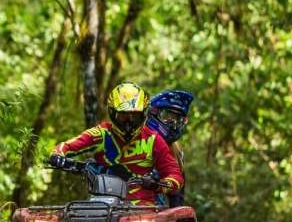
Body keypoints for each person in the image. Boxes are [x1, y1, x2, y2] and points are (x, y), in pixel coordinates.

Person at [49, 82, 183, 206]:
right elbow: (67, 146)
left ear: (143, 114)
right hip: (103, 203)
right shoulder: (101, 134)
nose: (129, 122)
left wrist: (157, 185)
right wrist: (56, 155)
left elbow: (176, 176)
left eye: (134, 116)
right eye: (123, 116)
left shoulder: (153, 140)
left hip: (143, 208)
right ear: (113, 113)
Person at [146, 90, 195, 207]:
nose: (173, 123)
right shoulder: (136, 139)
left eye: (178, 119)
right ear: (153, 113)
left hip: (156, 214)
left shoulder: (176, 152)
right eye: (167, 116)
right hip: (123, 207)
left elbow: (177, 199)